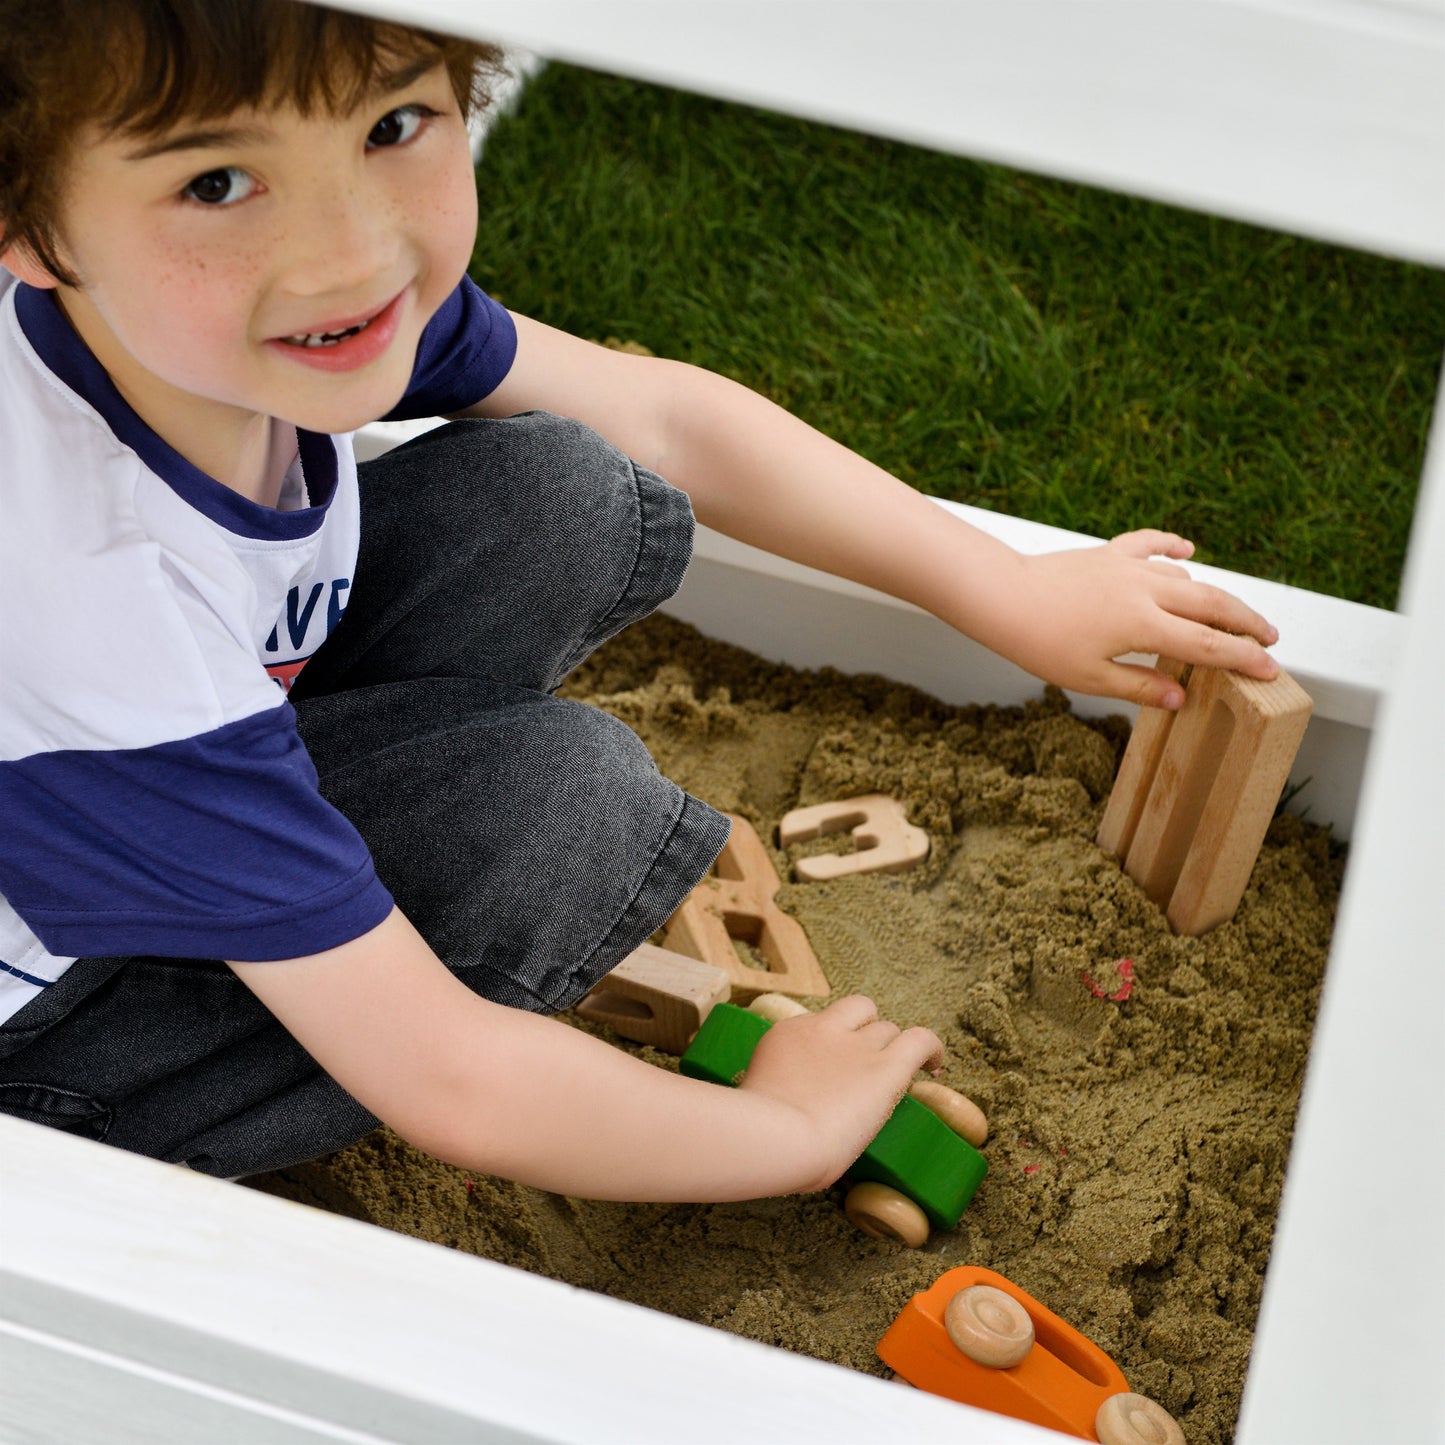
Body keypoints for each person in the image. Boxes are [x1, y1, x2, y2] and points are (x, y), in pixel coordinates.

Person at [0, 1, 1279, 1197]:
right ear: (31, 225)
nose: (347, 248)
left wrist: (999, 586)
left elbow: (668, 418)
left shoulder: (230, 318)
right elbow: (453, 1077)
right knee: (557, 809)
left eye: (394, 125)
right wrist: (784, 1132)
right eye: (216, 182)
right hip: (54, 1034)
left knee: (567, 488)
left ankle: (292, 848)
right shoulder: (94, 608)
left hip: (150, 762)